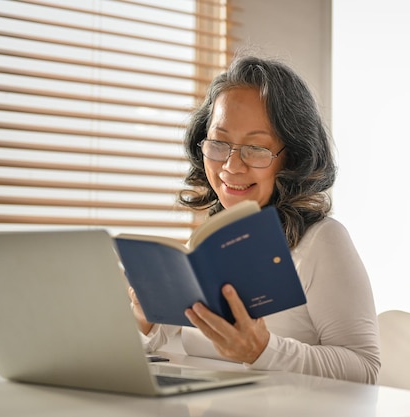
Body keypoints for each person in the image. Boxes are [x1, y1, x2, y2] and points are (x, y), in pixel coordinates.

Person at [128, 54, 380, 384]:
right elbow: (165, 342)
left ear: (293, 157)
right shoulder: (206, 242)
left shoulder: (321, 241)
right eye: (218, 143)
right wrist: (143, 319)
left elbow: (365, 368)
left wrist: (261, 350)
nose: (232, 166)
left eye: (256, 148)